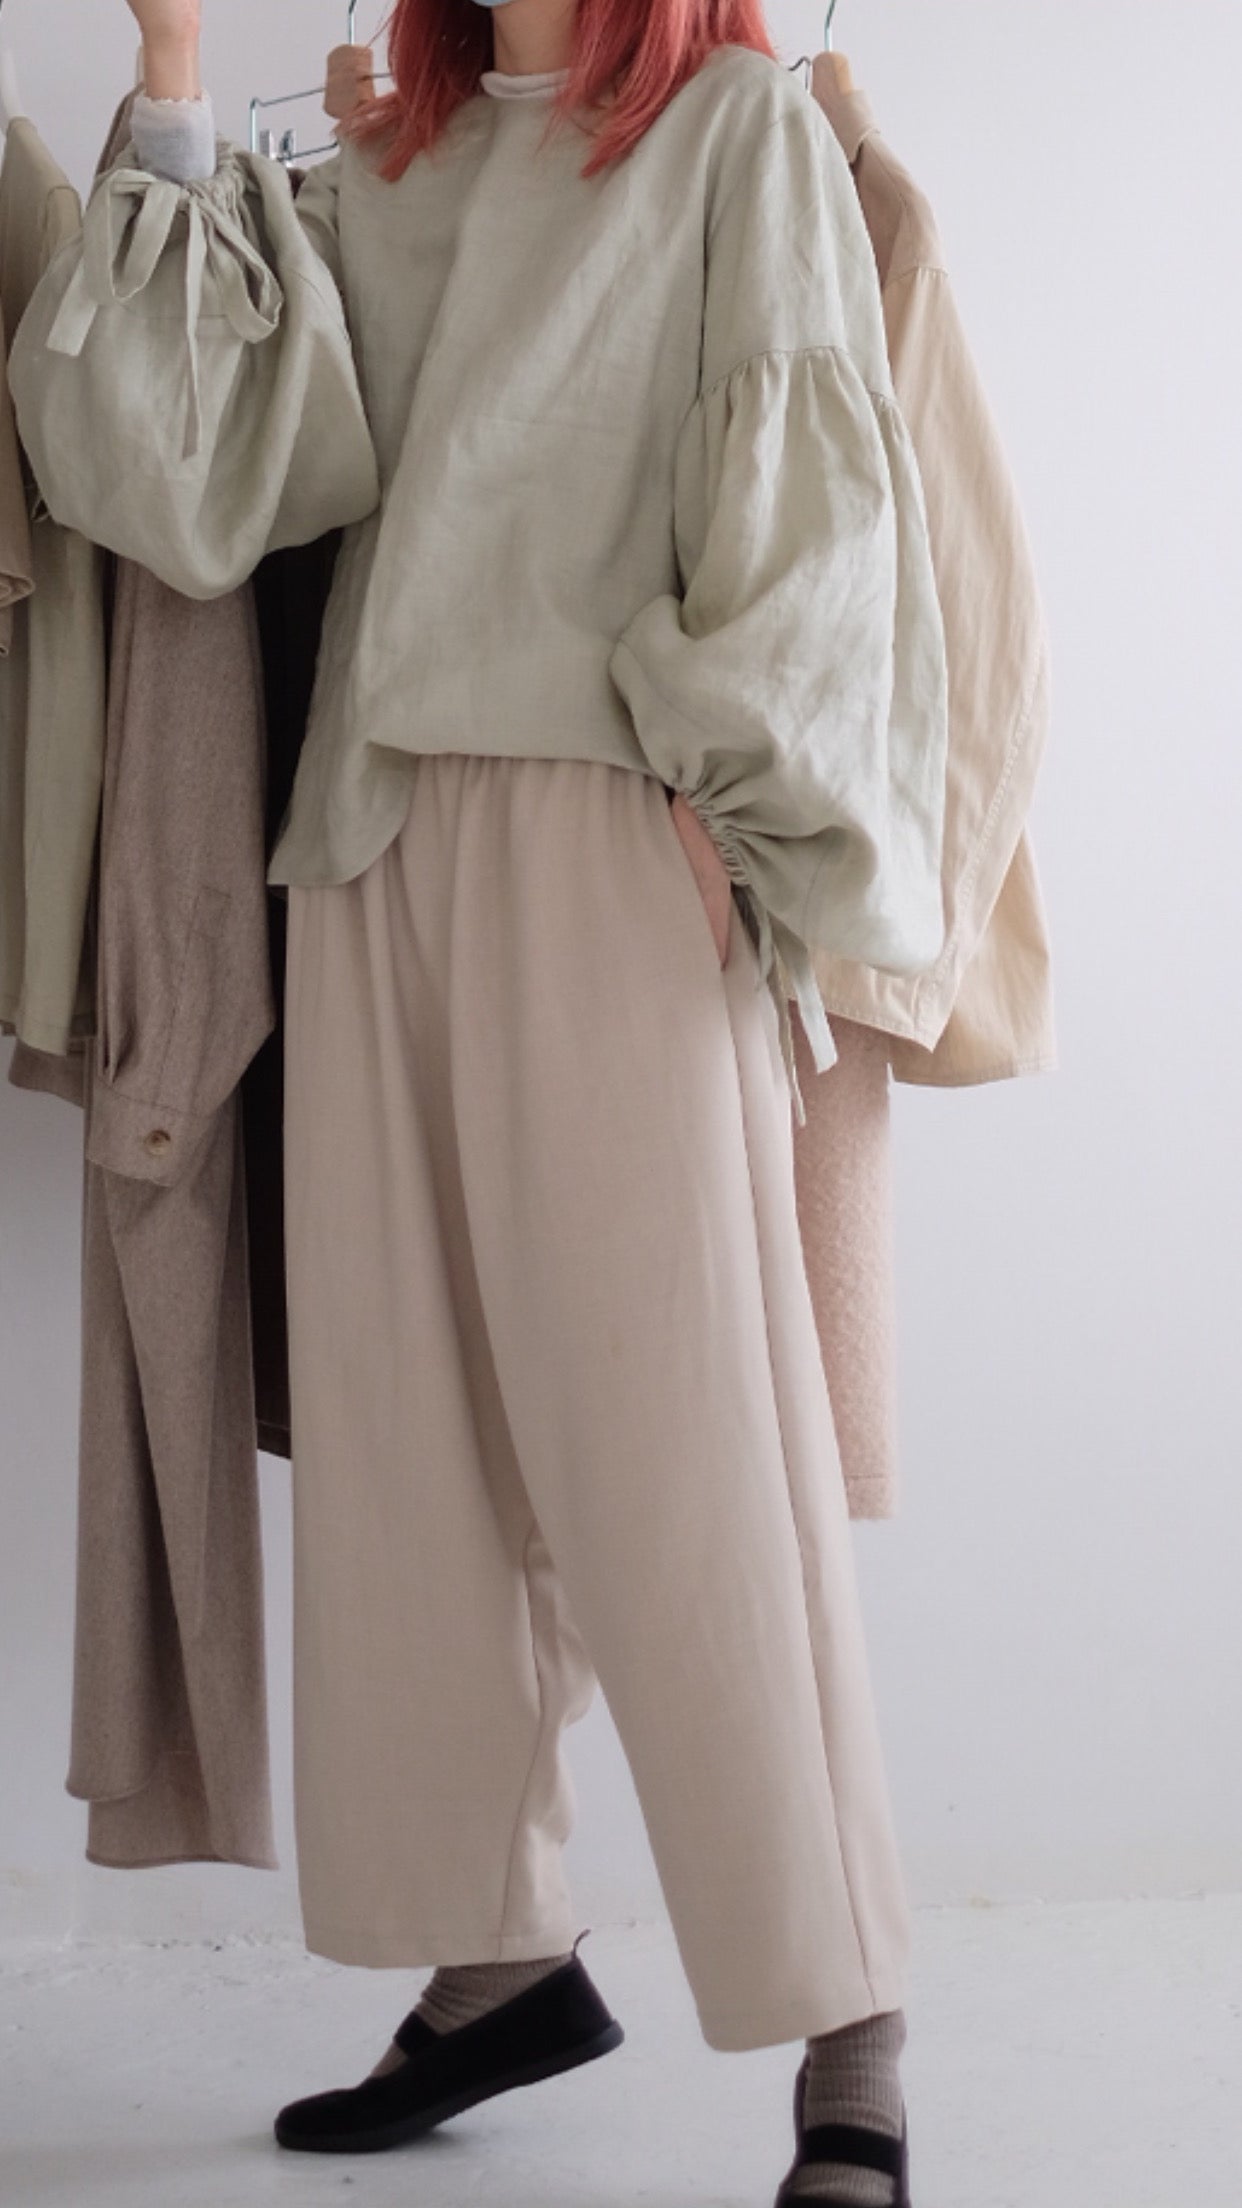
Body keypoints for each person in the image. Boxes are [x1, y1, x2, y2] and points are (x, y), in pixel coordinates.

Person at [12, 0, 949, 2198]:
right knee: (411, 1458)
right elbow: (180, 478)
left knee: (690, 1451)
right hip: (363, 847)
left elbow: (820, 508)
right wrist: (174, 70)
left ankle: (850, 2018)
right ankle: (489, 1963)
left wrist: (731, 808)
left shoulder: (733, 133)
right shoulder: (388, 161)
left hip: (609, 836)